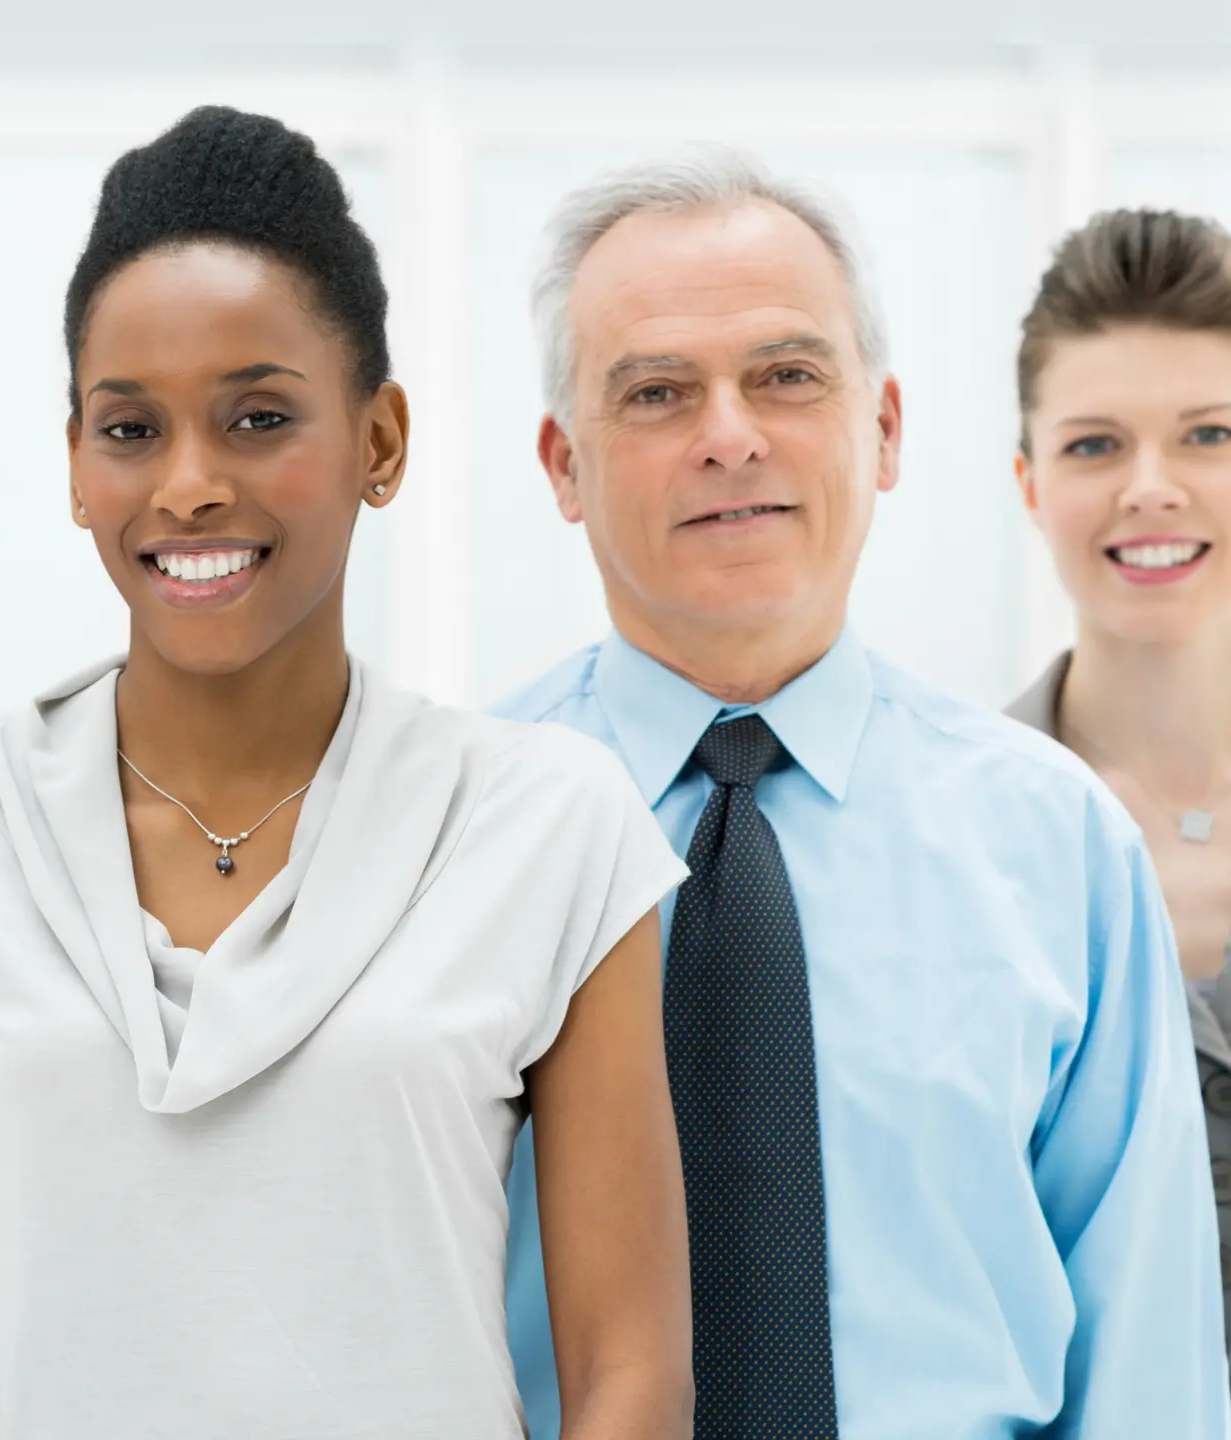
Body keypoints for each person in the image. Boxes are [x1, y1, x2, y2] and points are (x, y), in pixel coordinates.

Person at [0, 105, 694, 1440]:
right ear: (75, 464)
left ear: (380, 442)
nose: (190, 484)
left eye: (258, 417)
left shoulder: (550, 824)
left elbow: (630, 1375)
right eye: (130, 429)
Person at [497, 152, 1229, 1439]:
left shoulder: (1056, 844)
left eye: (786, 376)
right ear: (562, 464)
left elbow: (1146, 1365)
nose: (729, 435)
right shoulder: (452, 837)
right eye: (657, 392)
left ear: (883, 431)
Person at [1006, 206, 1231, 1363]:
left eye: (1207, 435)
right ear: (1027, 482)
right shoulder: (942, 837)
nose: (1149, 488)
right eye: (1093, 446)